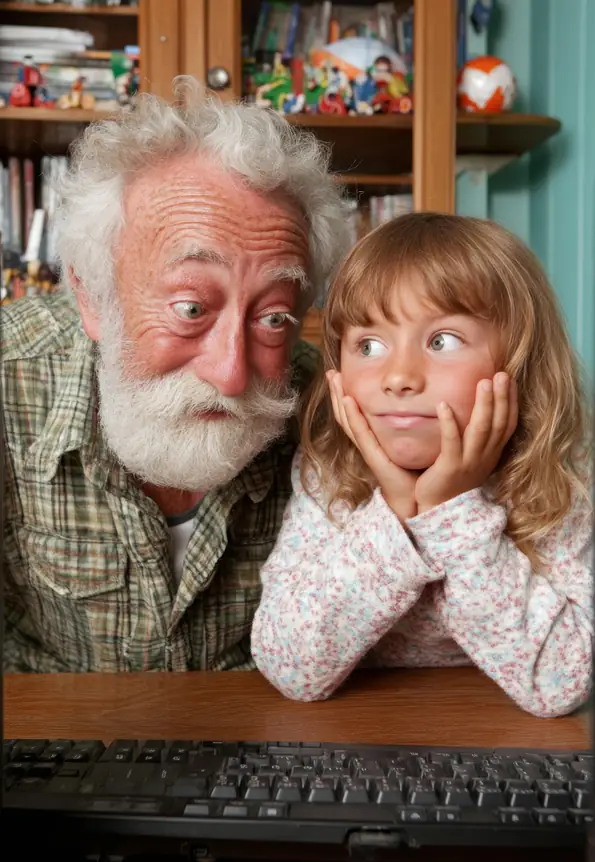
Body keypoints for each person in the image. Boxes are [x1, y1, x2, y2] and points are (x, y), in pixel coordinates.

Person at [1, 77, 350, 673]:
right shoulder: (11, 382)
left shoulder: (334, 411)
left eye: (272, 317)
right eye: (191, 309)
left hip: (262, 747)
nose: (232, 373)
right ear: (91, 296)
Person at [251, 212, 594, 717]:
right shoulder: (330, 467)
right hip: (361, 731)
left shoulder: (563, 472)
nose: (399, 377)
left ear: (519, 361)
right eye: (369, 346)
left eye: (442, 341)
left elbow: (559, 682)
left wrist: (451, 509)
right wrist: (394, 509)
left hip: (494, 734)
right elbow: (292, 667)